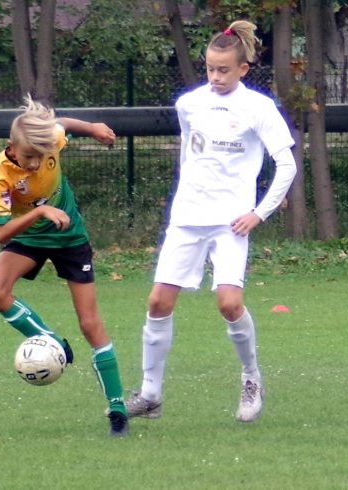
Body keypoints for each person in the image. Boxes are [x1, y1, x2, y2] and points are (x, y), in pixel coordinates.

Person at [122, 20, 297, 423]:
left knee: (229, 303)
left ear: (242, 69)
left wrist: (259, 211)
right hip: (187, 217)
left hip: (231, 222)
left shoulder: (258, 107)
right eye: (209, 69)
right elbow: (191, 154)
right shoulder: (189, 104)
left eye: (223, 70)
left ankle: (251, 377)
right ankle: (150, 394)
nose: (215, 77)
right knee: (158, 301)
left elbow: (285, 164)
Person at [0, 97, 129, 436]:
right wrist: (39, 212)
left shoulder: (51, 140)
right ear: (11, 147)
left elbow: (61, 123)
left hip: (70, 237)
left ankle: (117, 410)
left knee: (90, 325)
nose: (34, 163)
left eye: (40, 156)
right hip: (30, 237)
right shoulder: (2, 174)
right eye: (28, 156)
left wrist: (91, 128)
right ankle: (50, 342)